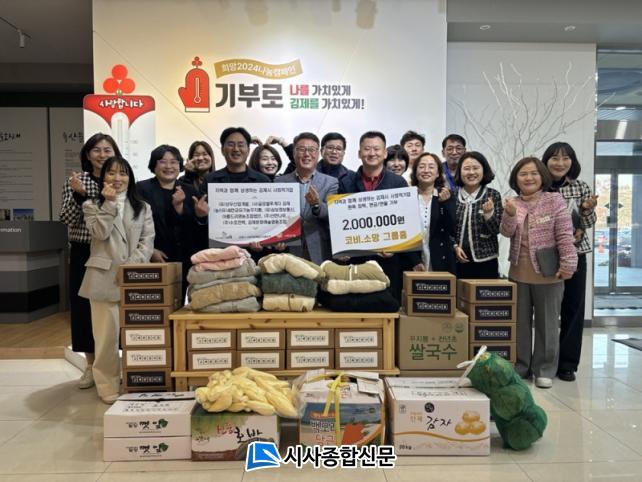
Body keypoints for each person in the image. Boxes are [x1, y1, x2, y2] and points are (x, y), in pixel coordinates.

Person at [79, 157, 154, 403]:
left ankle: (137, 380)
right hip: (102, 278)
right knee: (106, 338)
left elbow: (147, 242)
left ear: (130, 178)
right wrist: (109, 204)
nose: (117, 178)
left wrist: (130, 267)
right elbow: (99, 233)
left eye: (123, 173)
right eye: (111, 173)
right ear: (103, 178)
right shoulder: (91, 205)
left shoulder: (142, 207)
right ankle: (107, 385)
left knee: (139, 337)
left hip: (135, 279)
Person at [500, 157, 577, 389]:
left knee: (548, 324)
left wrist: (569, 263)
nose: (529, 178)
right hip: (518, 272)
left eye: (533, 173)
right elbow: (506, 232)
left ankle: (544, 369)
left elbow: (565, 234)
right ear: (516, 179)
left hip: (548, 273)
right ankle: (521, 366)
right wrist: (509, 214)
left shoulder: (554, 201)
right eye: (523, 174)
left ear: (542, 176)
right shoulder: (513, 202)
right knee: (519, 323)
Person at [59, 133, 121, 390]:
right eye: (96, 150)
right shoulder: (77, 180)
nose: (102, 154)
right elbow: (66, 218)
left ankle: (114, 365)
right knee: (83, 309)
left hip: (114, 251)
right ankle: (90, 365)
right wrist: (79, 195)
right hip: (85, 252)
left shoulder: (119, 178)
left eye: (107, 150)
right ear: (87, 154)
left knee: (115, 309)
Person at [542, 142, 598, 382]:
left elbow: (589, 223)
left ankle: (567, 363)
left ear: (572, 162)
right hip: (545, 256)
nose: (560, 163)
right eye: (554, 158)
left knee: (573, 308)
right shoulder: (540, 187)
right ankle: (544, 360)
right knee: (547, 310)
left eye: (565, 158)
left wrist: (586, 210)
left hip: (576, 254)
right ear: (546, 161)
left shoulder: (580, 187)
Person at [339, 131, 408, 301]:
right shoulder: (346, 182)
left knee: (388, 306)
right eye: (367, 149)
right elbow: (339, 220)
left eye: (376, 149)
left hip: (387, 261)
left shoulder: (398, 183)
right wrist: (342, 248)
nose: (371, 153)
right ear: (359, 153)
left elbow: (406, 222)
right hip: (355, 260)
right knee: (356, 306)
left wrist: (395, 247)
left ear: (384, 153)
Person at [137, 145, 193, 298]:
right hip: (153, 258)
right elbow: (134, 225)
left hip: (184, 260)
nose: (169, 166)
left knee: (180, 303)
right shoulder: (141, 189)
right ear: (154, 165)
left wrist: (179, 208)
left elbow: (193, 227)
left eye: (174, 162)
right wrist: (150, 250)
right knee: (155, 303)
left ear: (180, 165)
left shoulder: (190, 190)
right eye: (162, 162)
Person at [276, 132, 338, 264]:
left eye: (311, 150)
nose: (306, 154)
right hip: (288, 247)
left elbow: (332, 214)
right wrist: (275, 238)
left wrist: (317, 204)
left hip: (320, 247)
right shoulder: (279, 182)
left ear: (318, 153)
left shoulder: (331, 182)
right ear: (294, 153)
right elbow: (274, 216)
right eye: (301, 149)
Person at [194, 127, 271, 219]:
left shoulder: (263, 181)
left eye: (241, 145)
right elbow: (203, 220)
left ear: (248, 151)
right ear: (222, 150)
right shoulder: (210, 180)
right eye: (231, 144)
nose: (236, 149)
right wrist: (200, 215)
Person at [454, 151, 503, 279]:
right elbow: (445, 228)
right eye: (466, 168)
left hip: (486, 261)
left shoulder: (493, 195)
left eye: (475, 168)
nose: (471, 172)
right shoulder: (452, 195)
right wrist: (454, 246)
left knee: (484, 292)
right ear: (460, 171)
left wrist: (489, 215)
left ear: (484, 170)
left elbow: (497, 229)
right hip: (456, 259)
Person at [408, 153, 457, 274]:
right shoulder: (407, 196)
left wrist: (445, 204)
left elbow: (453, 230)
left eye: (431, 167)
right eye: (421, 166)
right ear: (415, 171)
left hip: (441, 259)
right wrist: (414, 261)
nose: (426, 170)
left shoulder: (447, 195)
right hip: (413, 260)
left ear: (438, 173)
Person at [278, 132, 351, 179]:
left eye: (338, 149)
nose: (334, 152)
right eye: (330, 148)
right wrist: (282, 142)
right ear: (321, 151)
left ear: (343, 153)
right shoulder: (304, 170)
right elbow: (296, 159)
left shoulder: (352, 177)